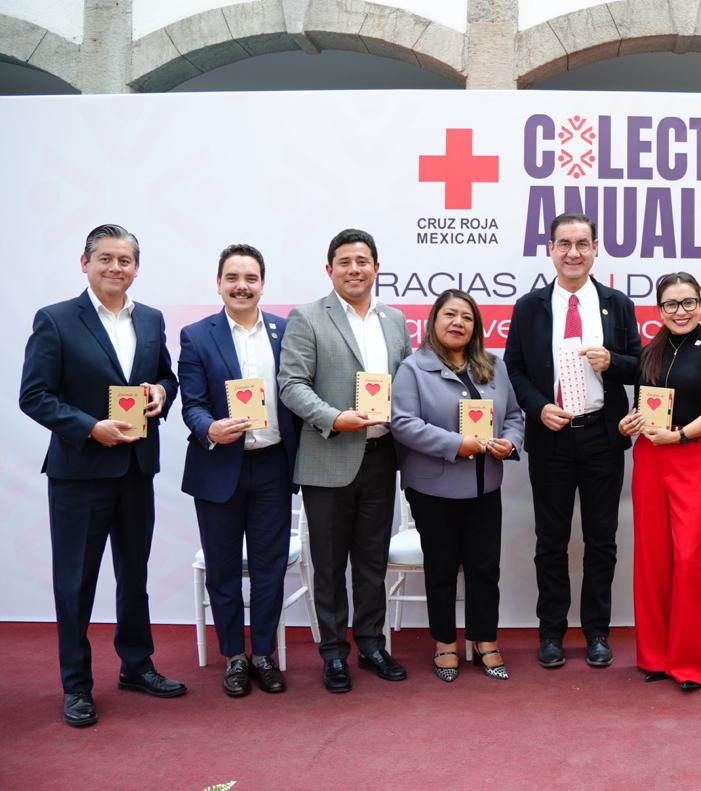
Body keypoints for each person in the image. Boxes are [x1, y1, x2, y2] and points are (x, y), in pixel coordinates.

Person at [19, 224, 185, 727]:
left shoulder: (152, 319)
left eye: (126, 260)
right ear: (85, 262)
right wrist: (91, 428)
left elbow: (167, 376)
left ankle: (137, 665)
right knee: (75, 584)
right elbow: (35, 395)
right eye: (106, 259)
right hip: (80, 474)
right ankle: (77, 686)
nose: (116, 268)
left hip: (136, 468)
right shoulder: (56, 320)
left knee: (134, 576)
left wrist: (160, 391)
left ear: (137, 267)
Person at [504, 212, 641, 669]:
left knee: (602, 540)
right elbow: (516, 370)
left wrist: (612, 361)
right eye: (564, 244)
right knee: (551, 541)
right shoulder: (530, 307)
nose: (574, 253)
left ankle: (597, 632)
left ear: (596, 248)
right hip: (552, 438)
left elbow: (638, 364)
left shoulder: (617, 304)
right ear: (550, 249)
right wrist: (538, 407)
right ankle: (551, 633)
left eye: (582, 244)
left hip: (602, 435)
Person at [279, 229, 412, 692]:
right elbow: (292, 385)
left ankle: (372, 644)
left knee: (372, 560)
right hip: (329, 455)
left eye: (363, 261)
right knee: (330, 563)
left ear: (377, 266)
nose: (354, 269)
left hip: (382, 457)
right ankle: (334, 652)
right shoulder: (308, 317)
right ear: (329, 268)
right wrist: (336, 418)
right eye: (344, 262)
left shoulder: (395, 321)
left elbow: (408, 384)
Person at [178, 244, 299, 697]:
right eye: (232, 277)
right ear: (219, 283)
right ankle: (234, 655)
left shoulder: (285, 332)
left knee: (269, 568)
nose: (241, 286)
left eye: (250, 278)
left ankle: (264, 653)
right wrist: (211, 428)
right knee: (224, 570)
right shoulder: (196, 335)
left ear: (262, 284)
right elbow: (191, 404)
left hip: (272, 466)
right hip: (217, 467)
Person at [391, 290, 524, 682]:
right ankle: (445, 644)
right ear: (434, 321)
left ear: (476, 327)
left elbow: (515, 416)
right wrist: (455, 444)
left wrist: (511, 441)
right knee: (442, 569)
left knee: (485, 569)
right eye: (450, 315)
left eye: (466, 317)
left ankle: (485, 642)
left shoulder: (494, 367)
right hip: (434, 488)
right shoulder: (413, 369)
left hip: (485, 486)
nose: (458, 323)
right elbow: (404, 423)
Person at [619, 273, 701, 690]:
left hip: (694, 457)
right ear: (659, 310)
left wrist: (682, 434)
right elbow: (641, 406)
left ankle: (688, 664)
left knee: (687, 561)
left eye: (688, 303)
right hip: (650, 458)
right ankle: (654, 656)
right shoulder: (649, 350)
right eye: (671, 304)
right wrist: (627, 423)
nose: (680, 311)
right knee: (652, 559)